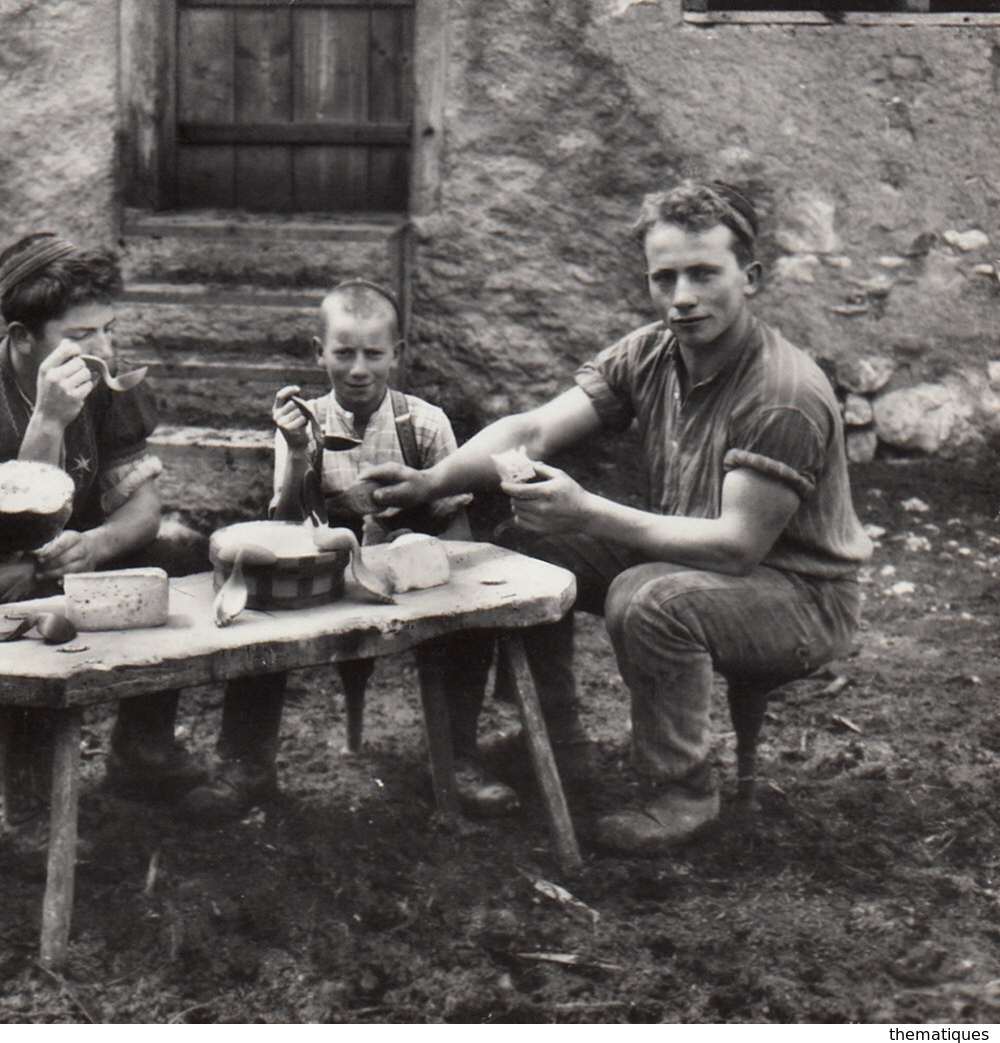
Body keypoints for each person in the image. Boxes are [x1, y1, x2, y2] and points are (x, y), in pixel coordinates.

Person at [364, 181, 872, 854]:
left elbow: (735, 547)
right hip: (700, 558)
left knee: (648, 599)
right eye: (663, 277)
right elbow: (536, 430)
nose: (680, 296)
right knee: (526, 546)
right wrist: (431, 478)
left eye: (702, 273)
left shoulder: (781, 392)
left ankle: (682, 793)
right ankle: (555, 736)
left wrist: (589, 510)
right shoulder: (653, 351)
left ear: (749, 277)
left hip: (799, 593)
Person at [181, 279, 517, 823]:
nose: (359, 369)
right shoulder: (304, 421)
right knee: (256, 616)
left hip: (412, 576)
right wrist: (294, 451)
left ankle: (457, 759)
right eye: (344, 353)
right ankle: (246, 765)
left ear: (397, 355)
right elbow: (285, 523)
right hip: (323, 578)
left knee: (469, 629)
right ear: (320, 353)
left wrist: (447, 583)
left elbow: (457, 526)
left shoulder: (425, 423)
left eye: (373, 354)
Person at [0, 233, 205, 832]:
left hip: (66, 554)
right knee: (30, 594)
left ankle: (141, 750)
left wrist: (96, 545)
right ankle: (29, 798)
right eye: (80, 336)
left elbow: (143, 509)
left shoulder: (106, 381)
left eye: (107, 330)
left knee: (180, 548)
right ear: (21, 338)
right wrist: (46, 421)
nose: (102, 351)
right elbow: (0, 533)